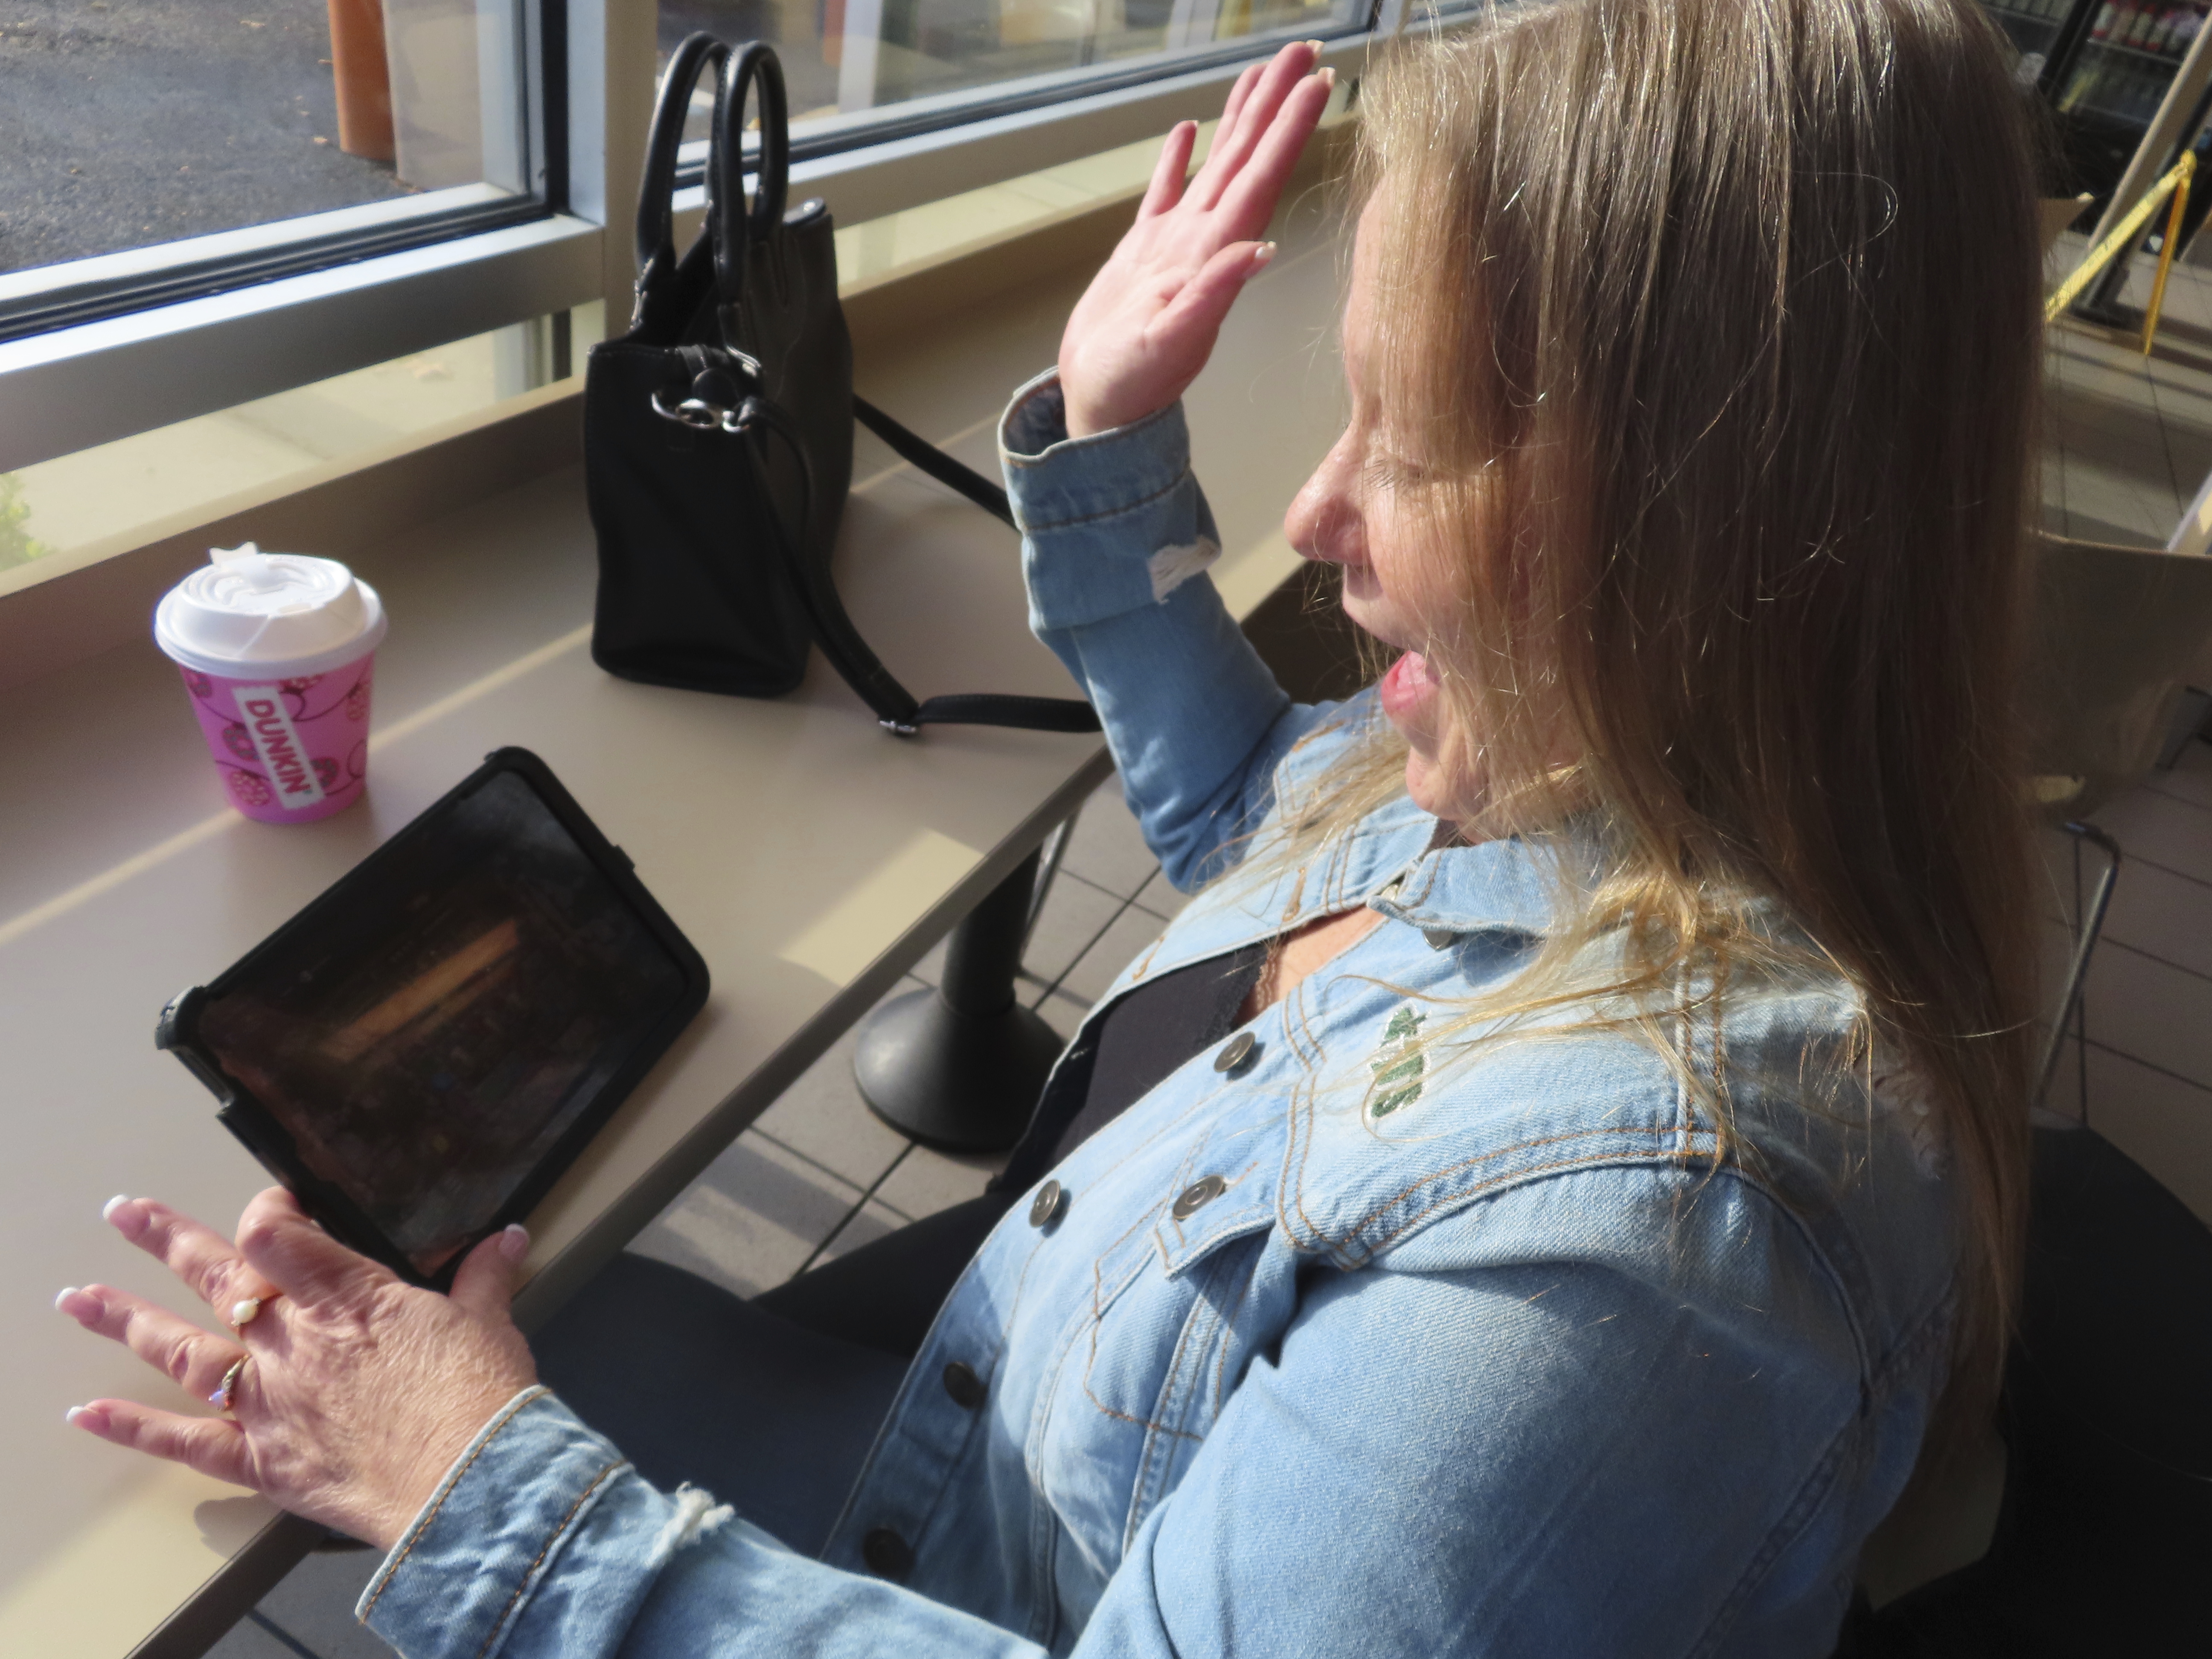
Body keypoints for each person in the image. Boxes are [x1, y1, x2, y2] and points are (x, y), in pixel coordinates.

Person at [55, 3, 2046, 1653]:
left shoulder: (1650, 1264)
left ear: (1716, 535)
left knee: (474, 1382)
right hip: (976, 1419)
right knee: (562, 1323)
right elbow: (1285, 829)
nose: (1319, 522)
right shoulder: (1597, 773)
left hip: (960, 1567)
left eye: (1412, 446)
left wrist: (475, 1496)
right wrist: (1106, 444)